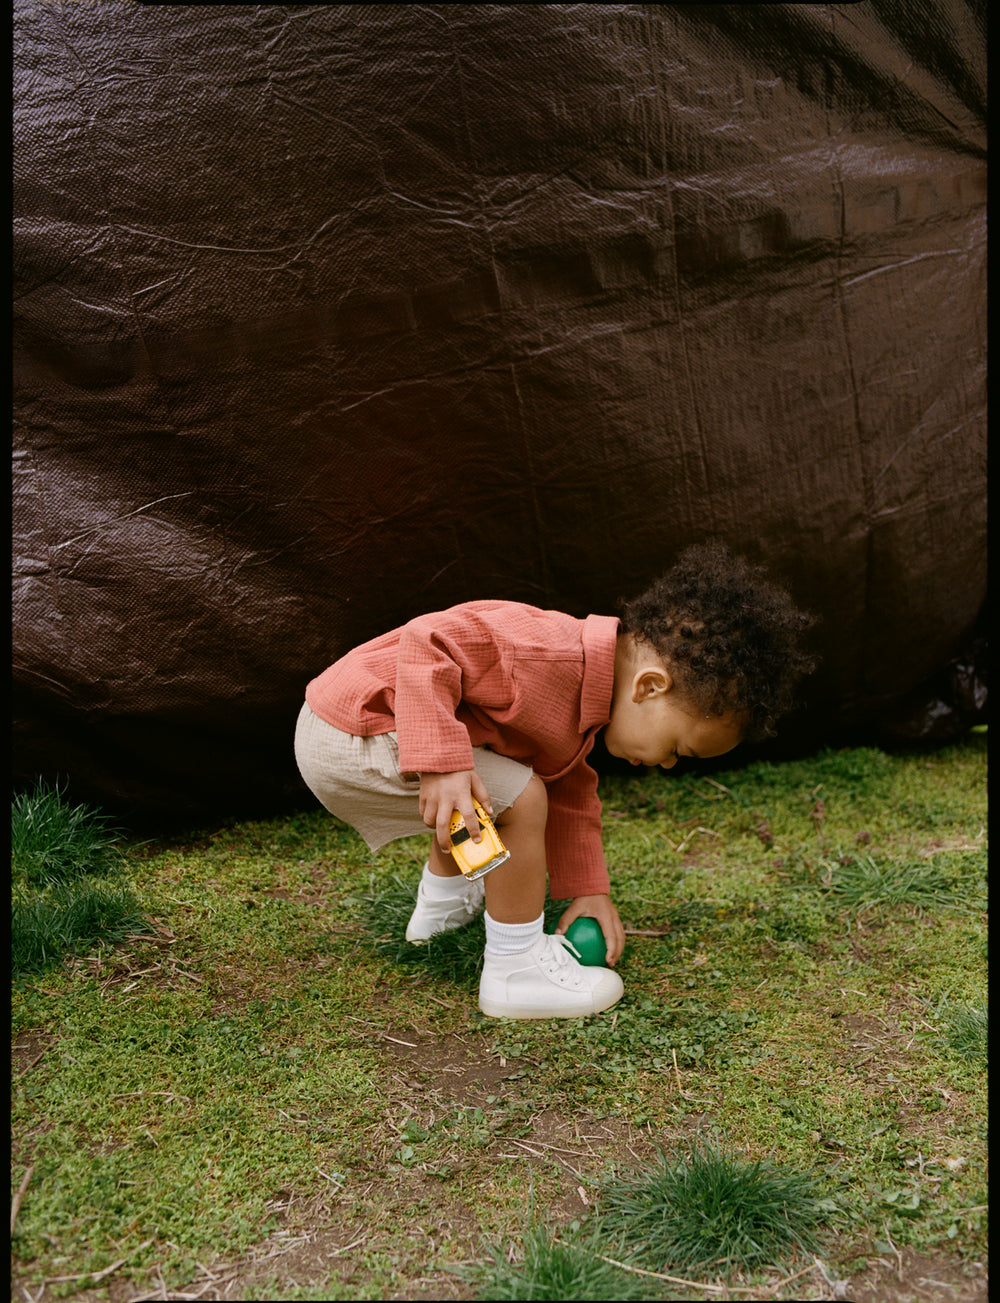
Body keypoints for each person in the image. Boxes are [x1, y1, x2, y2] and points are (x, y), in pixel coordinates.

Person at [294, 542, 815, 1020]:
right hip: (352, 730)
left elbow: (572, 790)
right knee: (519, 795)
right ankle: (515, 969)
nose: (670, 764)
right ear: (650, 687)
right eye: (678, 748)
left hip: (360, 732)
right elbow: (428, 640)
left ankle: (439, 914)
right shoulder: (544, 653)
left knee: (499, 787)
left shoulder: (582, 707)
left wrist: (588, 890)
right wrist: (443, 760)